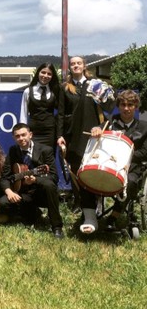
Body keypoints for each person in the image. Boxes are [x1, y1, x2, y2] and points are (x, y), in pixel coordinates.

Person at [57, 56, 115, 234]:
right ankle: (86, 210)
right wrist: (60, 135)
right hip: (72, 137)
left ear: (84, 66)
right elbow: (61, 113)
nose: (75, 65)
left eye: (78, 63)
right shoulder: (65, 88)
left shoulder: (95, 85)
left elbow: (109, 108)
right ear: (70, 67)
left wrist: (101, 125)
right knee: (78, 174)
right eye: (72, 64)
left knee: (93, 172)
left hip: (93, 136)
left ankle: (96, 206)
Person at [90, 89, 147, 226]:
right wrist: (96, 129)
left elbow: (144, 152)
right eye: (123, 105)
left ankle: (113, 216)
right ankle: (90, 215)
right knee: (89, 177)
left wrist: (125, 158)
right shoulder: (110, 122)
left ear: (136, 107)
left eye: (130, 105)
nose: (126, 108)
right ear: (118, 106)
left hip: (131, 168)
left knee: (131, 182)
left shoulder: (144, 127)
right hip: (109, 165)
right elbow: (97, 129)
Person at [0, 123, 64, 238]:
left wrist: (35, 180)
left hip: (41, 192)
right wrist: (9, 192)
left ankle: (57, 227)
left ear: (30, 135)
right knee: (2, 203)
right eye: (17, 136)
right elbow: (5, 177)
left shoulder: (45, 150)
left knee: (49, 185)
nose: (21, 138)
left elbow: (54, 177)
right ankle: (33, 213)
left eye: (23, 135)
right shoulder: (13, 151)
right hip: (23, 193)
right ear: (14, 138)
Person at [19, 62, 60, 150]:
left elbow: (61, 111)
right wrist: (23, 131)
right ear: (38, 73)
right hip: (33, 132)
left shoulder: (55, 91)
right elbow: (24, 113)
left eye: (49, 74)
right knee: (34, 155)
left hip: (50, 132)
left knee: (49, 155)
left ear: (52, 76)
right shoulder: (28, 91)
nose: (45, 76)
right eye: (43, 72)